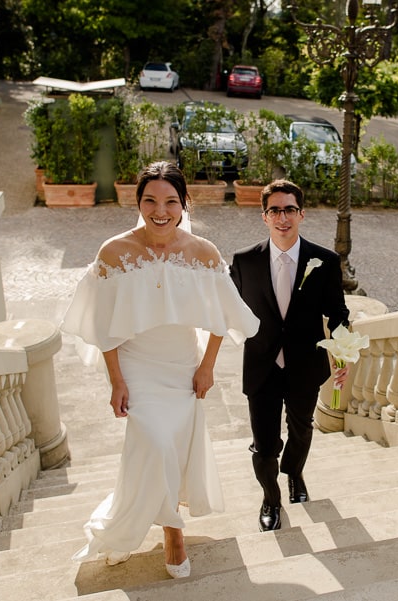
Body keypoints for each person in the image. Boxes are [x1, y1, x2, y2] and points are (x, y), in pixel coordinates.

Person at [60, 161, 259, 577]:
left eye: (170, 200)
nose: (160, 210)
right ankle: (172, 531)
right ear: (138, 202)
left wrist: (207, 367)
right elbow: (102, 325)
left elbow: (223, 317)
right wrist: (115, 380)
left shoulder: (204, 252)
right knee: (152, 441)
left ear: (184, 204)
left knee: (163, 450)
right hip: (136, 365)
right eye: (150, 200)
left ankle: (131, 527)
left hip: (182, 364)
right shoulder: (114, 252)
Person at [230, 179, 350, 532]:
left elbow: (338, 314)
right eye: (275, 210)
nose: (283, 217)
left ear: (302, 214)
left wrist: (341, 357)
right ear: (264, 216)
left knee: (301, 430)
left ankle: (294, 472)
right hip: (262, 367)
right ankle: (271, 498)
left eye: (290, 210)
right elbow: (227, 308)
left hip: (305, 366)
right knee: (264, 442)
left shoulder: (325, 262)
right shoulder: (243, 261)